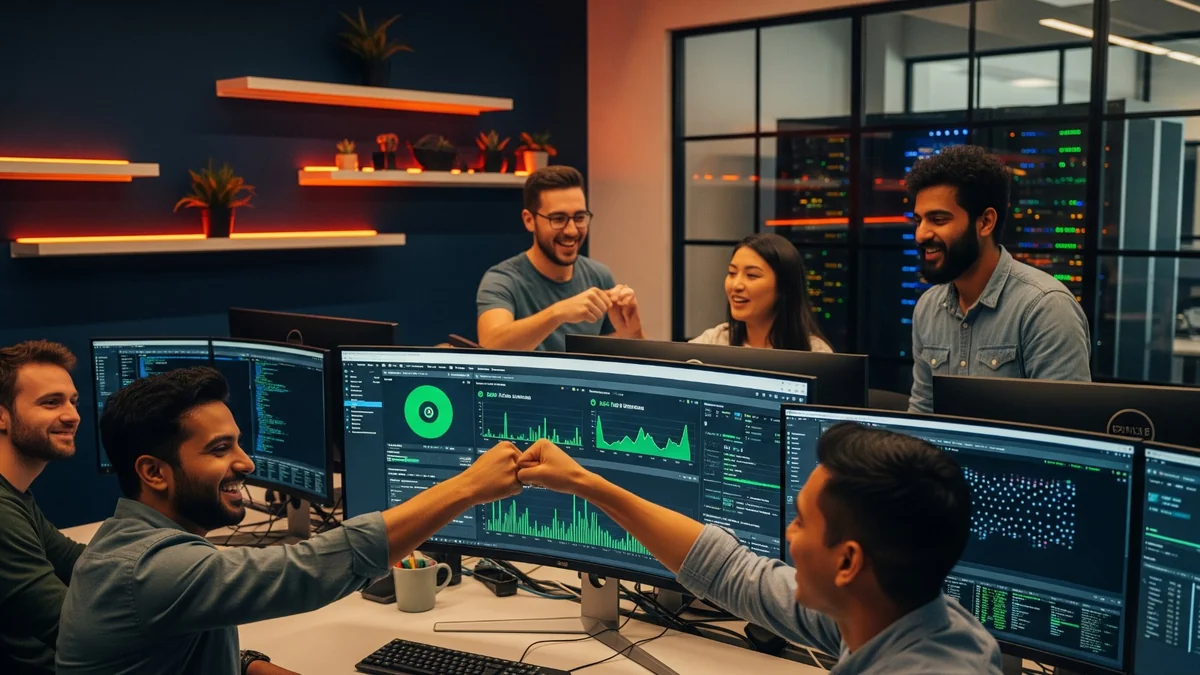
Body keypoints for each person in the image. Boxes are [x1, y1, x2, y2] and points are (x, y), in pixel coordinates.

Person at [57, 367, 524, 675]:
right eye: (219, 449)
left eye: (238, 443)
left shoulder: (127, 542)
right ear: (153, 472)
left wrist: (248, 665)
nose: (246, 463)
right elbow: (307, 570)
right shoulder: (148, 570)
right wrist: (467, 487)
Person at [515, 427, 1002, 674]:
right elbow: (730, 570)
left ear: (848, 562)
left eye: (801, 521)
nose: (789, 535)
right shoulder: (888, 613)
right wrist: (585, 484)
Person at [906, 145, 1091, 413]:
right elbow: (923, 413)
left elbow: (1064, 427)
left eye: (938, 219)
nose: (921, 234)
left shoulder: (1045, 308)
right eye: (918, 220)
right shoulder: (928, 307)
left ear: (985, 222)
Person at [476, 165, 643, 351]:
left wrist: (633, 333)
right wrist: (558, 313)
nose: (572, 231)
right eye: (558, 219)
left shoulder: (599, 275)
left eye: (579, 217)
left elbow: (617, 357)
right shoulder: (502, 280)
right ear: (529, 220)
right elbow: (491, 345)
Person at [0, 340, 86, 675]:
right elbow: (77, 633)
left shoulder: (15, 495)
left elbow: (83, 564)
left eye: (73, 401)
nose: (72, 416)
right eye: (51, 402)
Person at [690, 232, 832, 352]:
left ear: (784, 286)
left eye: (752, 275)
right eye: (732, 273)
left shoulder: (815, 353)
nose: (736, 285)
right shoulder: (713, 342)